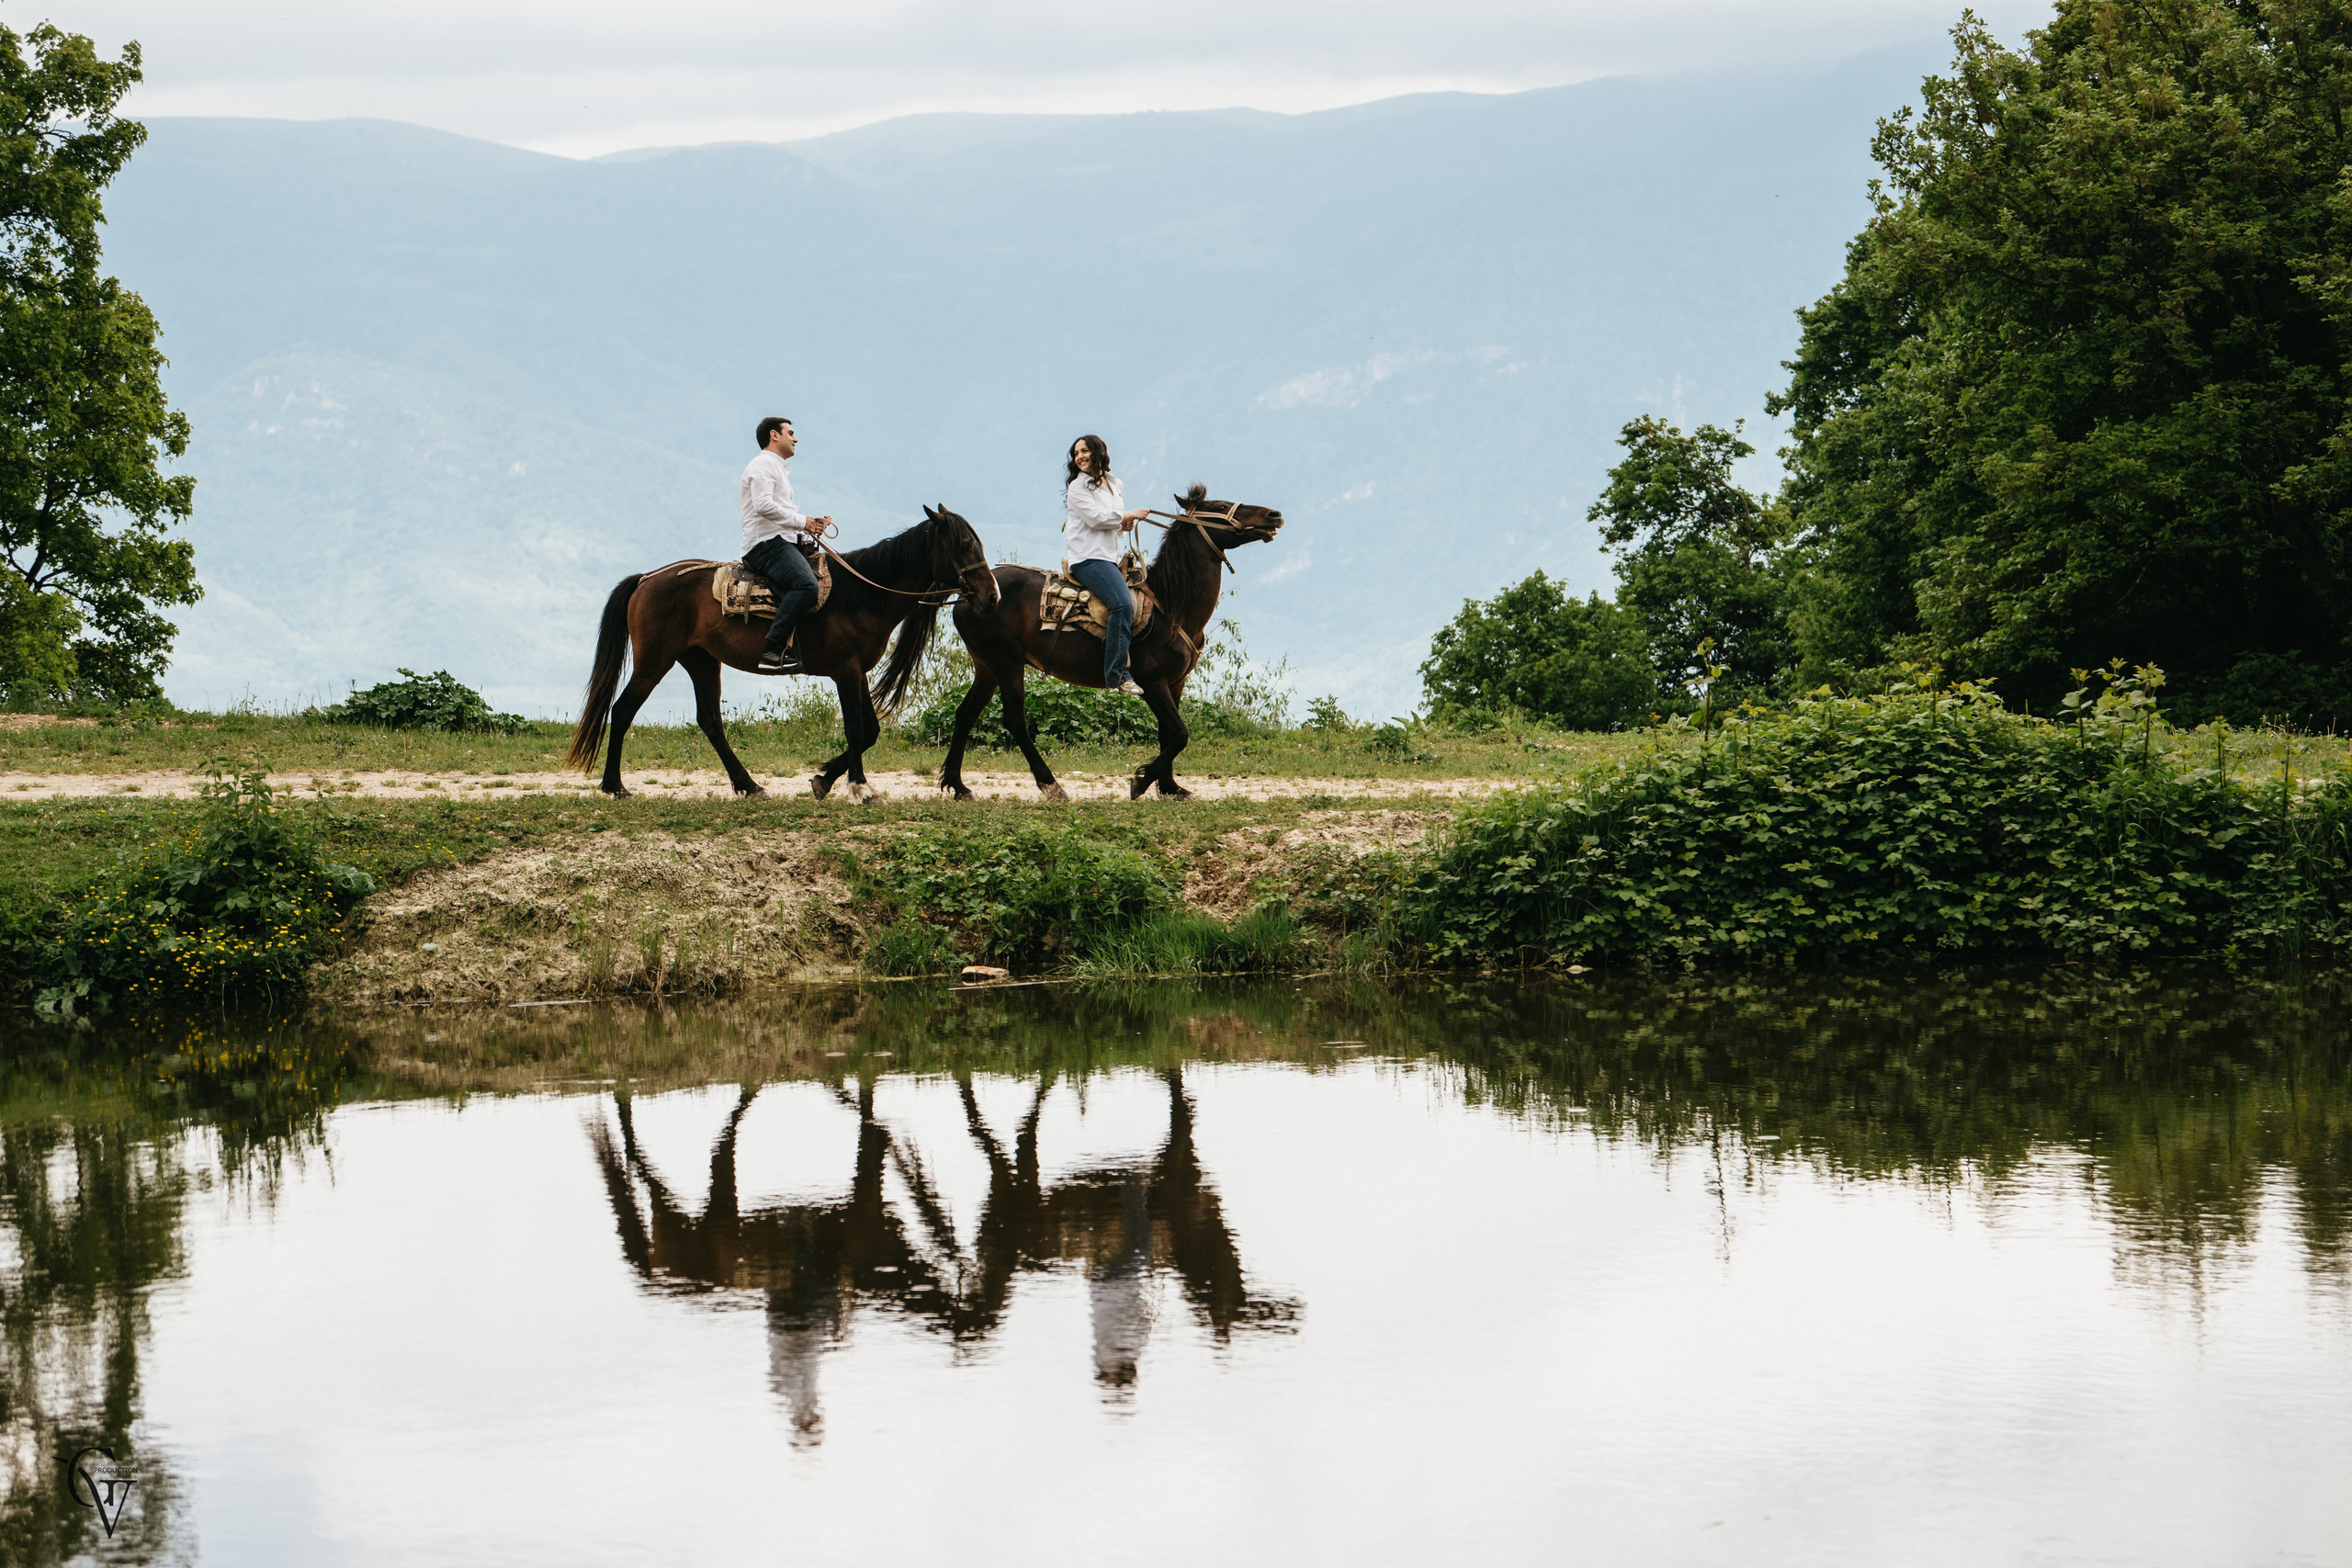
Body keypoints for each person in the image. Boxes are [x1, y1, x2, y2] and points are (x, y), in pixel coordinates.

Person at [740, 416, 832, 671]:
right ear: (774, 435)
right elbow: (763, 505)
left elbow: (779, 514)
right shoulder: (762, 465)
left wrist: (807, 529)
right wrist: (803, 522)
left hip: (780, 542)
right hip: (765, 545)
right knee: (805, 585)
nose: (796, 438)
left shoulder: (777, 468)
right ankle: (773, 650)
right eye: (790, 433)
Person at [1063, 434, 1150, 696]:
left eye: (1085, 451)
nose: (1079, 457)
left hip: (1111, 556)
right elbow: (1096, 519)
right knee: (1122, 604)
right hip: (1088, 558)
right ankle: (1118, 677)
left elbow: (1112, 525)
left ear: (1098, 452)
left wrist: (1124, 525)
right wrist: (1129, 515)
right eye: (1076, 453)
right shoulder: (1077, 487)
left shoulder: (1116, 484)